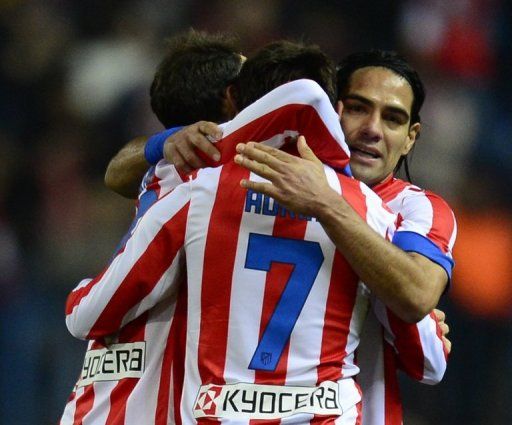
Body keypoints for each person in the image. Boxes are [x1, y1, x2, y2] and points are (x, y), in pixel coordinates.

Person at [63, 40, 414, 423]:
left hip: (119, 398)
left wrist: (81, 290)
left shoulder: (189, 184)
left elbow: (87, 311)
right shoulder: (368, 209)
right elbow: (428, 356)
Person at [232, 49, 457, 425]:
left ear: (410, 138)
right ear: (330, 110)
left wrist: (328, 205)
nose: (372, 128)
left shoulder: (419, 210)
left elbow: (424, 335)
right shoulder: (264, 176)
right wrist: (165, 143)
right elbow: (126, 171)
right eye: (357, 108)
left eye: (393, 119)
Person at [59, 29, 244, 424]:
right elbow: (85, 315)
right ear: (232, 96)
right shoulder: (197, 183)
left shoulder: (168, 169)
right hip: (130, 402)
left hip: (125, 388)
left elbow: (115, 173)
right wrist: (81, 297)